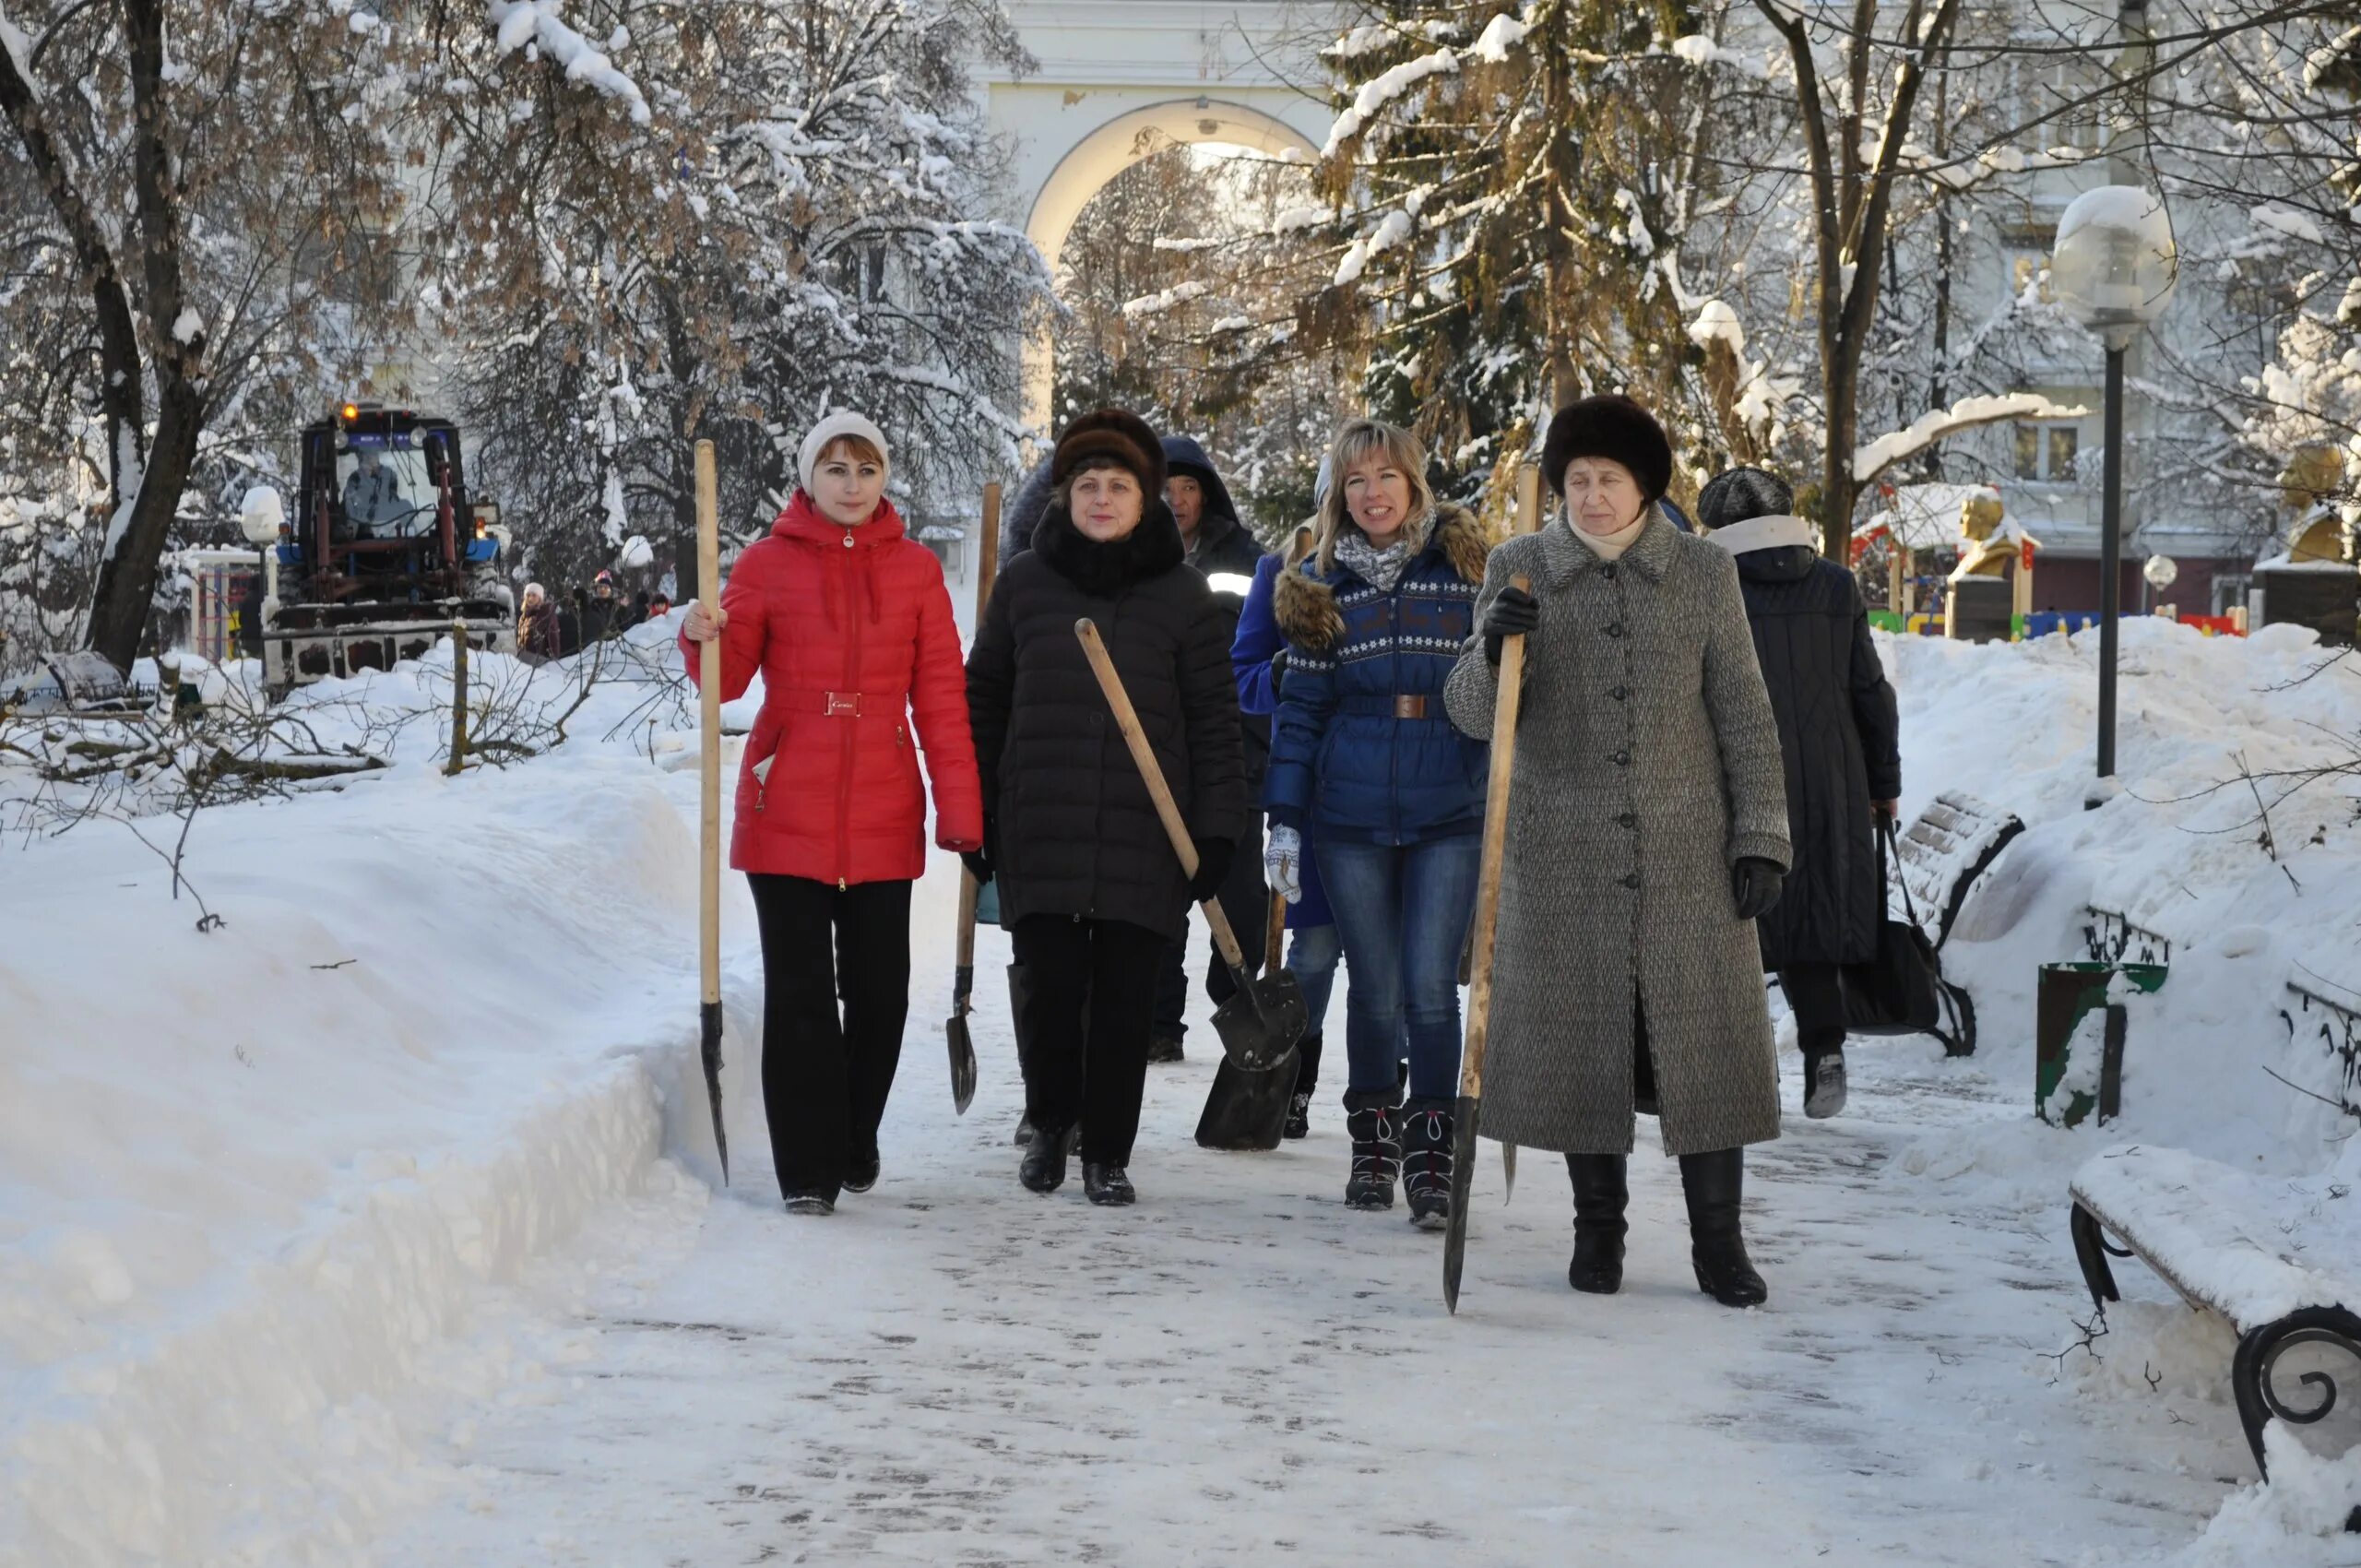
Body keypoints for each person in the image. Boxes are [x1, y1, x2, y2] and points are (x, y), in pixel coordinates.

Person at [1442, 395, 1791, 1308]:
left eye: (1609, 480)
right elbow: (1472, 714)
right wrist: (1489, 650)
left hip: (1689, 858)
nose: (1591, 497)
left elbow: (1745, 717)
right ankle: (1597, 1232)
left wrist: (1760, 836)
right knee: (1583, 1052)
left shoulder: (1705, 573)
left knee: (1707, 1054)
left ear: (1646, 486)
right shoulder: (1520, 570)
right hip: (1558, 859)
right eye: (1576, 480)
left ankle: (1720, 1244)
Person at [679, 411, 982, 1215]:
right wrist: (702, 633)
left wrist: (960, 808)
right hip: (785, 803)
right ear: (808, 477)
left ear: (885, 479)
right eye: (836, 469)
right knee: (802, 993)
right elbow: (729, 682)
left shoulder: (917, 571)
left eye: (867, 469)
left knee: (880, 993)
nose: (852, 485)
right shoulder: (767, 564)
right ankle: (807, 1171)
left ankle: (855, 1131)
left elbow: (943, 701)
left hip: (883, 803)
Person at [966, 409, 1245, 1206]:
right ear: (1063, 495)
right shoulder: (1024, 583)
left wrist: (1217, 827)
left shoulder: (1184, 595)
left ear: (1147, 498)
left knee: (1126, 1000)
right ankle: (1051, 1125)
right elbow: (984, 697)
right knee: (1050, 990)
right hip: (1041, 821)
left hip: (1146, 832)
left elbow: (1215, 722)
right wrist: (977, 807)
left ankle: (1108, 1151)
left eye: (1118, 485)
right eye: (1086, 484)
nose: (1101, 498)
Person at [1264, 418, 1489, 1227]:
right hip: (1350, 815)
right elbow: (1300, 714)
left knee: (1431, 990)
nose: (1371, 494)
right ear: (1338, 494)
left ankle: (1433, 1153)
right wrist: (1285, 819)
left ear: (1415, 483)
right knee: (1376, 990)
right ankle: (1372, 1147)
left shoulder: (1468, 573)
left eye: (1385, 477)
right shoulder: (1319, 586)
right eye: (1355, 481)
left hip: (1449, 811)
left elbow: (1504, 691)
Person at [1695, 467, 1902, 1120]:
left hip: (1731, 775)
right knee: (1811, 919)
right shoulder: (1836, 585)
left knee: (1740, 923)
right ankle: (1825, 1049)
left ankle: (1746, 1072)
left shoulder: (1706, 586)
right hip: (1830, 779)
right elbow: (1870, 690)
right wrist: (1883, 784)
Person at [1145, 434, 1269, 1063]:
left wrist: (1257, 739)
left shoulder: (1246, 559)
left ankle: (1239, 1010)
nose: (1177, 500)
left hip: (1232, 751)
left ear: (1206, 494)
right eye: (1166, 489)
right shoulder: (1137, 561)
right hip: (1159, 754)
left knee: (1241, 894)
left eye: (1188, 488)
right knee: (1159, 895)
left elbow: (1267, 652)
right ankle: (1160, 1023)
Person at [1232, 517, 1340, 1139]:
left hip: (1404, 793)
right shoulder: (1283, 570)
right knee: (1316, 950)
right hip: (1311, 786)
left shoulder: (1420, 571)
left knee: (1404, 967)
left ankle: (1399, 1103)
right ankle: (1293, 1081)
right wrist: (1275, 673)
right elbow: (1243, 674)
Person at [342, 447, 408, 536]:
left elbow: (393, 496)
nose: (365, 460)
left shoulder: (389, 474)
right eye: (363, 458)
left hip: (386, 524)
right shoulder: (355, 478)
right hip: (362, 528)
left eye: (371, 456)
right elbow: (350, 504)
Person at [516, 582, 561, 663]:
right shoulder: (523, 617)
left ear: (540, 597)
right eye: (528, 595)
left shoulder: (546, 614)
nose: (530, 598)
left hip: (540, 662)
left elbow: (553, 639)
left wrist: (554, 661)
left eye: (534, 595)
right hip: (523, 662)